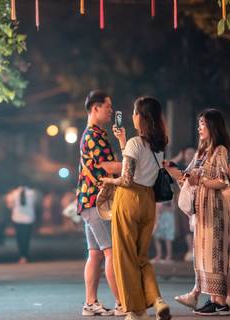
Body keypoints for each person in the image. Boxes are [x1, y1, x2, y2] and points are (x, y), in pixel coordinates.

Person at [100, 97, 177, 320]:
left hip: (129, 199)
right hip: (148, 202)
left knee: (124, 257)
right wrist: (123, 141)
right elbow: (139, 166)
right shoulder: (159, 145)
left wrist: (108, 181)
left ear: (141, 117)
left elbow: (126, 179)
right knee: (141, 257)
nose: (132, 116)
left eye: (134, 112)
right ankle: (158, 300)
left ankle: (135, 310)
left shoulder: (136, 143)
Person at [172, 109, 230, 316]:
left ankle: (220, 302)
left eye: (203, 124)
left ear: (213, 126)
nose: (199, 128)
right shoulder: (201, 152)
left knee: (214, 254)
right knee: (202, 254)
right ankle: (212, 298)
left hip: (215, 211)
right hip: (201, 211)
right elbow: (188, 175)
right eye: (198, 123)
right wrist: (176, 173)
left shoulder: (220, 151)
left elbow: (222, 181)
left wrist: (200, 180)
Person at [76, 90, 124, 317]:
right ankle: (122, 302)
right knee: (111, 252)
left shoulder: (94, 133)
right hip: (97, 202)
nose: (111, 110)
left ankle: (90, 303)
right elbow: (108, 166)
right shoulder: (94, 135)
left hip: (89, 200)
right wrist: (133, 164)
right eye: (108, 106)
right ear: (95, 108)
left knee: (95, 253)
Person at [9, 185, 37, 263]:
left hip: (17, 218)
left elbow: (10, 205)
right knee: (27, 238)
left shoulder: (14, 193)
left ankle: (22, 255)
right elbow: (34, 203)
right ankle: (25, 255)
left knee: (19, 238)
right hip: (29, 218)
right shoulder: (32, 193)